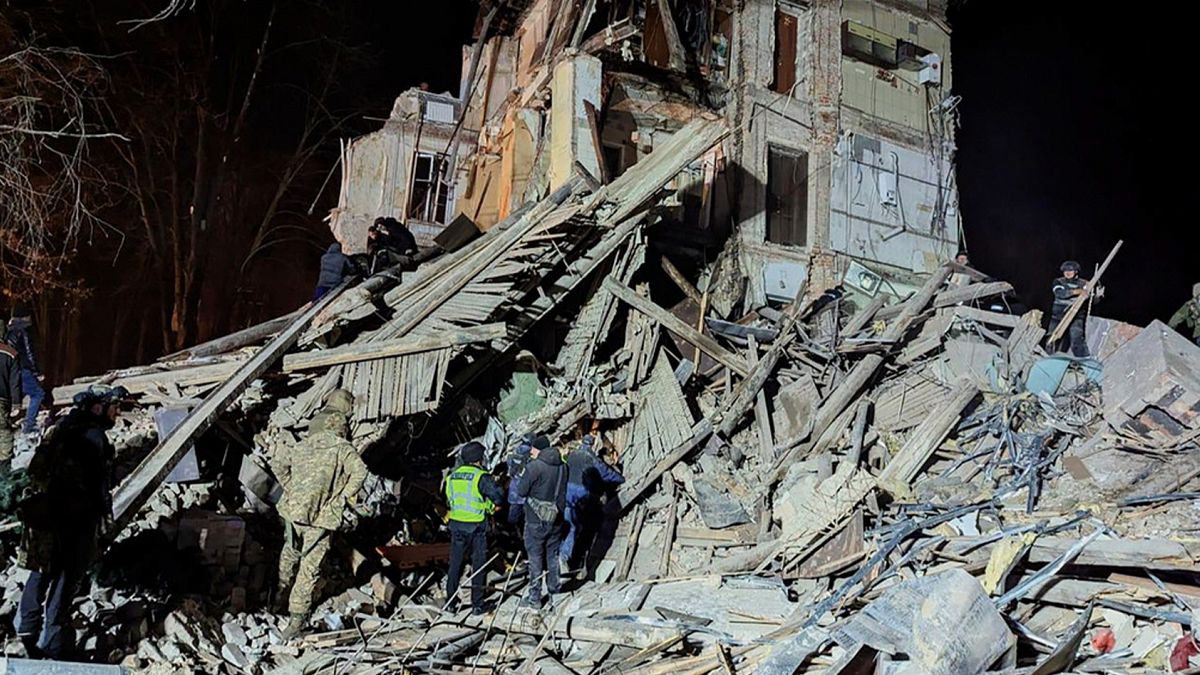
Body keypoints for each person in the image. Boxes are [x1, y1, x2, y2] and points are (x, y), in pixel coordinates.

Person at [15, 384, 128, 659]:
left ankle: (25, 629)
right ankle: (51, 643)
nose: (117, 414)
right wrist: (102, 519)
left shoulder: (61, 429)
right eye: (114, 408)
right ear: (99, 408)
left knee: (41, 569)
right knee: (65, 580)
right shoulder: (94, 437)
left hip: (45, 514)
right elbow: (97, 485)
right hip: (75, 519)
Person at [274, 409, 369, 638]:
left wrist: (292, 488)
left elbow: (278, 465)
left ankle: (279, 596)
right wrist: (341, 498)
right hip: (321, 517)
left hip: (292, 511)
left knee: (289, 553)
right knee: (309, 567)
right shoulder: (341, 448)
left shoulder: (304, 444)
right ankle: (296, 619)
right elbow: (361, 471)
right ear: (341, 430)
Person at [444, 441, 504, 615]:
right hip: (476, 527)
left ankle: (450, 603)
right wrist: (488, 506)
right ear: (479, 458)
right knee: (478, 565)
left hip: (456, 526)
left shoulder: (452, 476)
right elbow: (498, 498)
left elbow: (451, 499)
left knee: (455, 565)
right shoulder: (481, 477)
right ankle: (477, 605)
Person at [560, 435, 624, 574]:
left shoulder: (572, 455)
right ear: (593, 445)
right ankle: (564, 557)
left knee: (566, 522)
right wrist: (621, 478)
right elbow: (606, 474)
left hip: (565, 491)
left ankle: (558, 554)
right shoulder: (591, 458)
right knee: (575, 526)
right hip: (580, 493)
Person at [516, 435, 566, 609]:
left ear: (537, 449)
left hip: (535, 520)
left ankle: (535, 599)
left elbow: (521, 492)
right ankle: (555, 595)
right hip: (556, 518)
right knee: (552, 557)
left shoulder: (534, 467)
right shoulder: (563, 467)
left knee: (535, 559)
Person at [6, 305, 43, 435]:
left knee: (15, 396)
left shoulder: (8, 332)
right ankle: (29, 425)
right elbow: (29, 353)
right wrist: (36, 371)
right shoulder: (23, 331)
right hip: (23, 368)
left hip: (11, 370)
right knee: (38, 394)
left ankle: (6, 423)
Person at [1050, 260, 1091, 358]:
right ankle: (1050, 358)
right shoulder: (1058, 281)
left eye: (1070, 270)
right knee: (1052, 338)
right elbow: (1060, 293)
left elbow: (1092, 300)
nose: (1067, 273)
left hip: (1077, 316)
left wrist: (1095, 294)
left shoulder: (1084, 283)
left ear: (1076, 271)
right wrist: (1078, 291)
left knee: (1077, 339)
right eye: (1065, 271)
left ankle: (1084, 360)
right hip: (1058, 315)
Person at [0, 319, 22, 471]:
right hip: (1, 400)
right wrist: (16, 404)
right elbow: (15, 381)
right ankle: (4, 469)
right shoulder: (11, 353)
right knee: (3, 433)